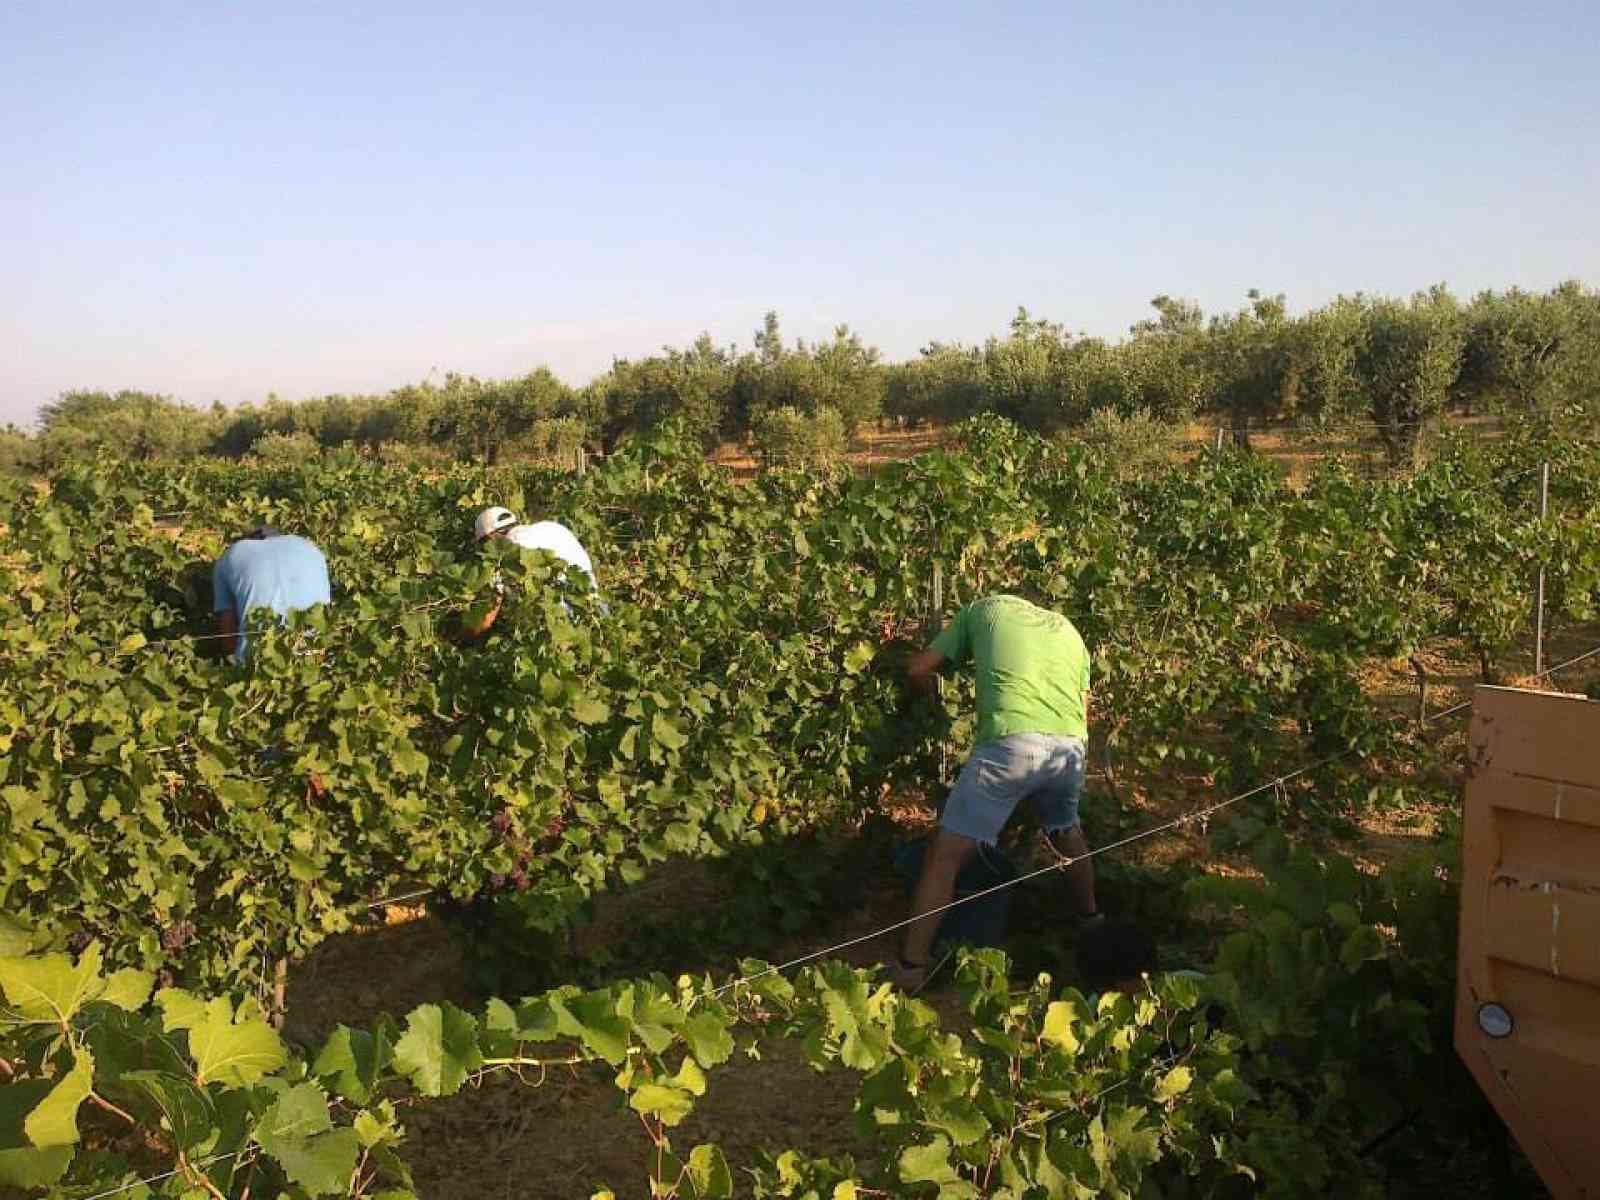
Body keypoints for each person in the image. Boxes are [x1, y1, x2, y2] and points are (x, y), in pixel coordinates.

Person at [894, 593, 1098, 990]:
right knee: (1065, 831)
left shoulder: (980, 610)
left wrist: (933, 704)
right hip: (1070, 748)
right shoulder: (1069, 631)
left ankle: (910, 966)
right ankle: (1092, 922)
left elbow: (919, 669)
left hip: (1011, 743)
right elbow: (1082, 707)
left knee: (946, 854)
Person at [460, 506, 600, 640]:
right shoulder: (551, 527)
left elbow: (486, 618)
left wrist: (461, 638)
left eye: (484, 544)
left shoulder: (506, 554)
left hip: (562, 622)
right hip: (594, 607)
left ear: (491, 537)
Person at [212, 525, 331, 662]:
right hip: (314, 658)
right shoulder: (311, 548)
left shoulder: (230, 555)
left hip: (257, 664)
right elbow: (325, 612)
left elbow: (228, 639)